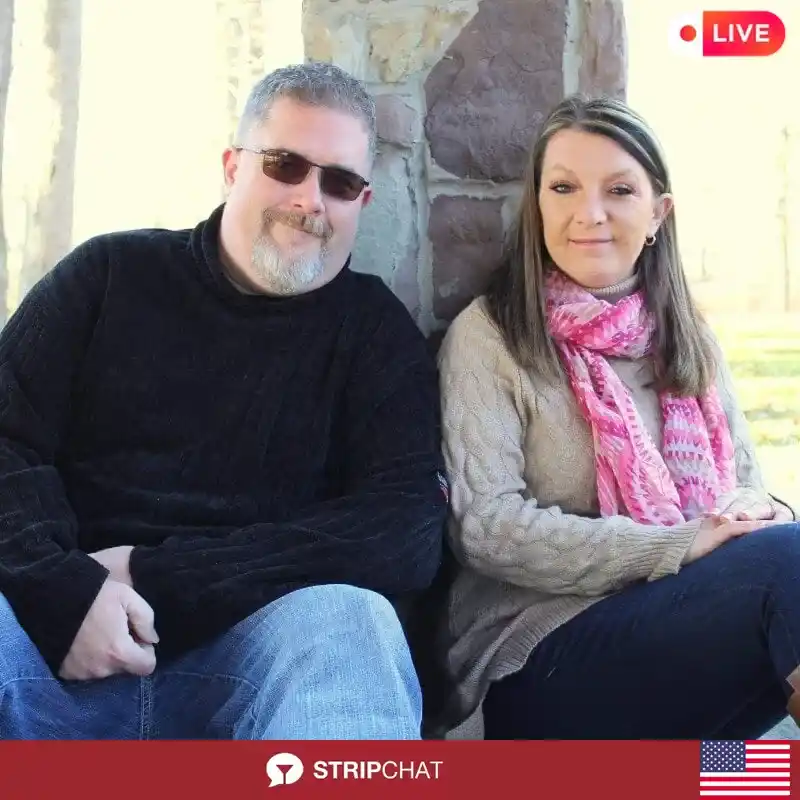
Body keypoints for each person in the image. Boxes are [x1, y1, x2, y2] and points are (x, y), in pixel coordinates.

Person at [0, 61, 448, 740]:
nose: (310, 199)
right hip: (50, 644)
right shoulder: (108, 276)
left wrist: (157, 575)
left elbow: (402, 529)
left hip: (256, 663)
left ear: (362, 202)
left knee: (353, 624)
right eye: (285, 165)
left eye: (339, 182)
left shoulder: (376, 335)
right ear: (233, 166)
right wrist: (61, 591)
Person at [436, 94, 799, 740]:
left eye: (620, 190)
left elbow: (749, 488)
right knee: (788, 565)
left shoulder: (688, 337)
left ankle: (680, 777)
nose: (590, 213)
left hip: (678, 638)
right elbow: (485, 528)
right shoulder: (492, 335)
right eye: (564, 188)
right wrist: (675, 544)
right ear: (538, 206)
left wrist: (756, 512)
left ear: (659, 213)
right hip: (538, 663)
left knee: (761, 760)